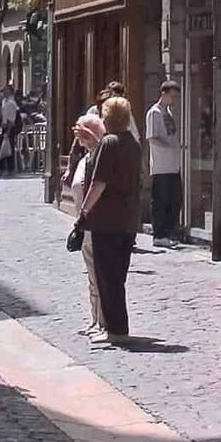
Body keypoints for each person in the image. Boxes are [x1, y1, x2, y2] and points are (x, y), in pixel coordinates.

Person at [76, 96, 143, 347]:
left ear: (108, 118)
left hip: (107, 220)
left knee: (107, 277)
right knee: (118, 277)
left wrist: (83, 213)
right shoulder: (133, 144)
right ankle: (116, 326)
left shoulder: (109, 143)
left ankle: (115, 330)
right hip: (128, 221)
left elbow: (98, 183)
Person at [70, 112, 105, 336]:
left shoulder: (99, 158)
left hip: (96, 224)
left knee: (99, 276)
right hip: (84, 226)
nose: (80, 141)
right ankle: (95, 319)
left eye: (84, 136)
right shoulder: (87, 158)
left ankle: (102, 321)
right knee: (92, 277)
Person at [145, 79, 183, 245]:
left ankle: (169, 233)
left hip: (173, 164)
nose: (173, 100)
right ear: (163, 94)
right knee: (161, 200)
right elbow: (152, 138)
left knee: (174, 200)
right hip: (161, 165)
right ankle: (159, 234)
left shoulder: (168, 113)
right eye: (172, 96)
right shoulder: (155, 113)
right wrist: (169, 145)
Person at [0, 85, 20, 175]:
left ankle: (10, 168)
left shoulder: (11, 103)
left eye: (6, 90)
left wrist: (9, 130)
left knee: (8, 148)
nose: (4, 92)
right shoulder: (4, 102)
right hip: (4, 126)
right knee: (2, 148)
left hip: (9, 127)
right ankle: (2, 168)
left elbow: (12, 118)